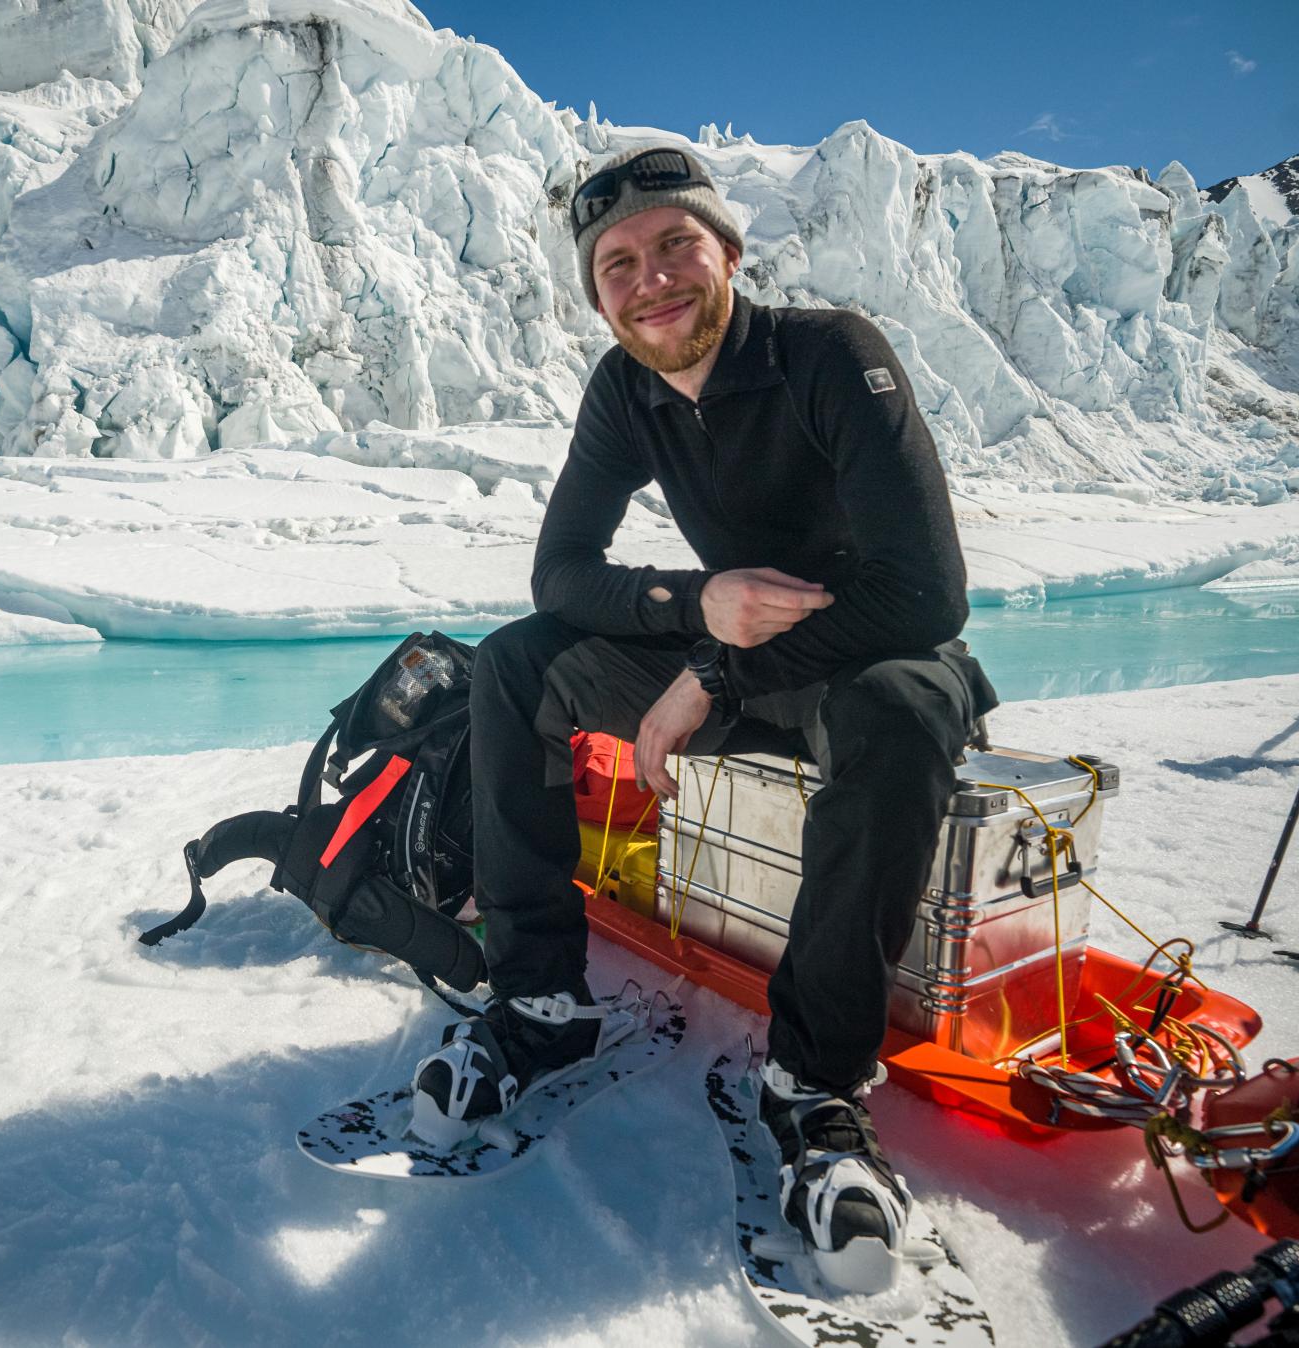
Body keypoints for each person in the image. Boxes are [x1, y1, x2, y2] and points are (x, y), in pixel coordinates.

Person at [409, 145, 997, 1287]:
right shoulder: (625, 391)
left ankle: (815, 1086)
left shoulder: (829, 355)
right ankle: (535, 998)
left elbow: (924, 592)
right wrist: (692, 607)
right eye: (617, 263)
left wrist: (709, 678)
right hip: (732, 643)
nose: (651, 279)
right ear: (598, 292)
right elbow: (560, 576)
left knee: (905, 700)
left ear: (728, 252)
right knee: (515, 667)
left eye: (676, 243)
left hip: (863, 657)